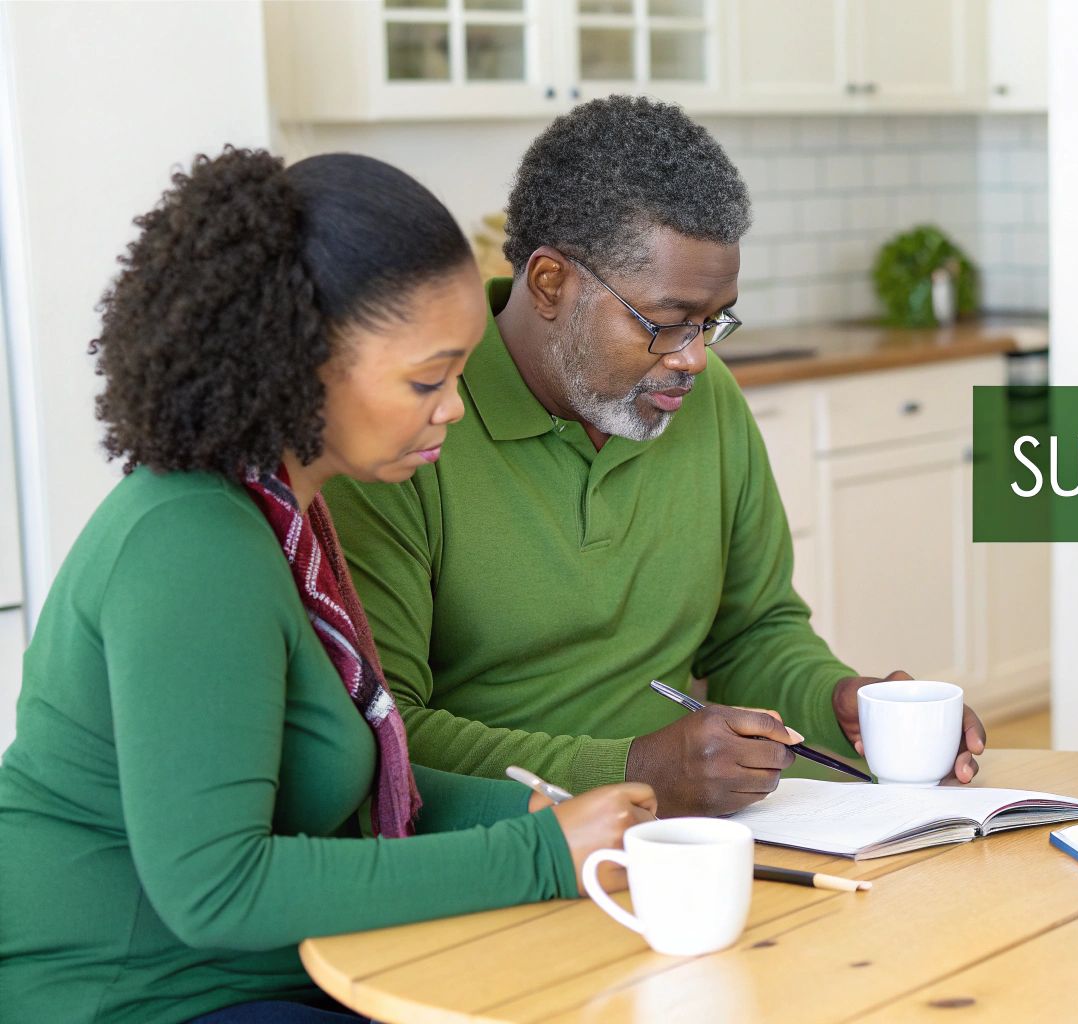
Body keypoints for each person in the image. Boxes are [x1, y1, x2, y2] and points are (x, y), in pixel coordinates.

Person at [0, 148, 657, 1024]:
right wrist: (538, 852)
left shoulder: (281, 516)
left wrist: (534, 807)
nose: (454, 407)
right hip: (130, 998)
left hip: (254, 978)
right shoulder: (192, 546)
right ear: (292, 362)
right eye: (428, 378)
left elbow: (347, 791)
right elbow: (219, 889)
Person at [323, 96, 985, 818]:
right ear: (550, 284)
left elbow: (754, 631)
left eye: (713, 321)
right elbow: (386, 732)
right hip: (509, 845)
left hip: (693, 834)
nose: (696, 359)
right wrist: (635, 770)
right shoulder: (407, 429)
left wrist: (836, 701)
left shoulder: (708, 400)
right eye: (667, 323)